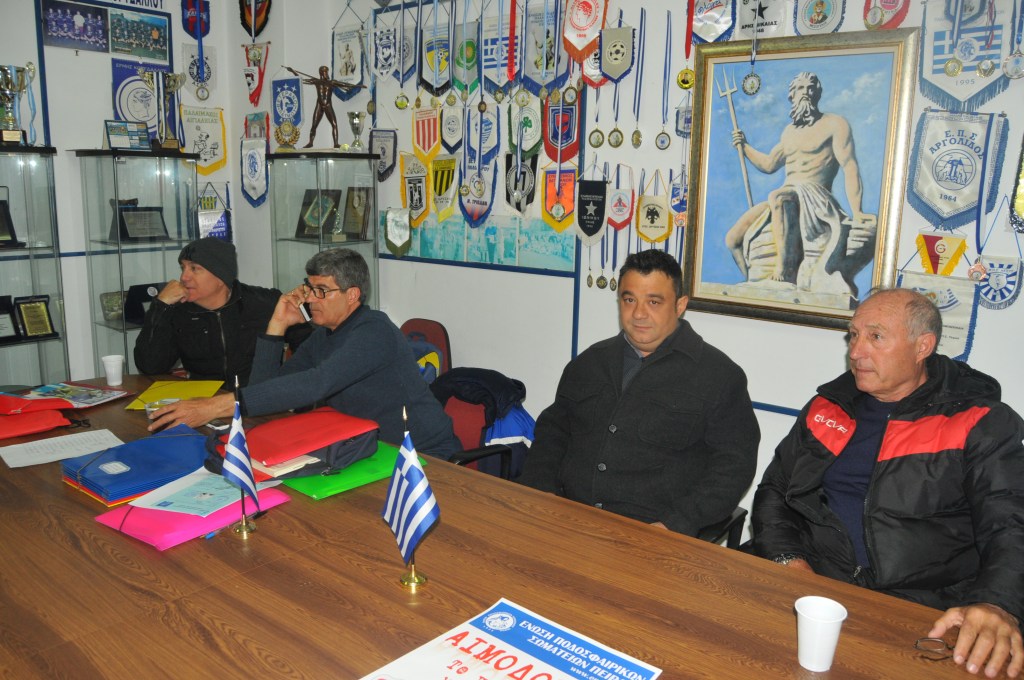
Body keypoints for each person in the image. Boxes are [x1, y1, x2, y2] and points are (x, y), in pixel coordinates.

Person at [752, 288, 1024, 678]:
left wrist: (997, 604)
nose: (856, 351)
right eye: (853, 335)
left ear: (922, 346)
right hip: (815, 587)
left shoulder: (981, 422)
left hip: (923, 608)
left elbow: (1010, 524)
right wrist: (788, 561)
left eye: (875, 336)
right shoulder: (828, 408)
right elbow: (775, 490)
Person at [517, 250, 760, 535]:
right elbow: (553, 433)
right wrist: (541, 494)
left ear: (680, 305)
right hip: (568, 519)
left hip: (653, 532)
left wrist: (676, 523)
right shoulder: (590, 362)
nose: (639, 314)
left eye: (654, 302)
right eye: (629, 300)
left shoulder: (719, 376)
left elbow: (734, 467)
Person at [148, 248, 461, 460]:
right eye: (309, 288)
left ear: (352, 295)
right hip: (369, 450)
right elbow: (264, 392)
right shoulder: (324, 335)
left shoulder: (374, 330)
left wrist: (214, 406)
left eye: (321, 291)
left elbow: (317, 383)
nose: (310, 299)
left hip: (423, 454)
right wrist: (277, 326)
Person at [724, 72, 876, 296]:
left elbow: (850, 167)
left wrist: (857, 211)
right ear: (792, 95)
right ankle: (752, 282)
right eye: (801, 88)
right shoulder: (789, 132)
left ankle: (785, 271)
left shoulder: (835, 124)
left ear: (817, 93)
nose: (806, 92)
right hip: (787, 196)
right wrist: (744, 146)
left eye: (810, 88)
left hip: (816, 196)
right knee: (733, 239)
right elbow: (769, 164)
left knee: (778, 196)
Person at [134, 237, 309, 387]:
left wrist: (285, 386)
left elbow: (310, 350)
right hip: (202, 404)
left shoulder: (265, 302)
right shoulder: (177, 311)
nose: (183, 277)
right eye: (183, 268)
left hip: (257, 401)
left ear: (220, 276)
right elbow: (150, 367)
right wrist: (160, 306)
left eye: (194, 268)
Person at [286, 65, 355, 149]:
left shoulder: (332, 82)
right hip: (319, 105)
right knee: (314, 125)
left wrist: (354, 86)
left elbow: (344, 84)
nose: (327, 74)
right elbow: (302, 80)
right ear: (321, 73)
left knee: (334, 124)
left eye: (327, 72)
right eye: (325, 72)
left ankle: (336, 143)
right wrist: (293, 71)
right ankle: (310, 142)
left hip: (328, 105)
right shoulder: (316, 81)